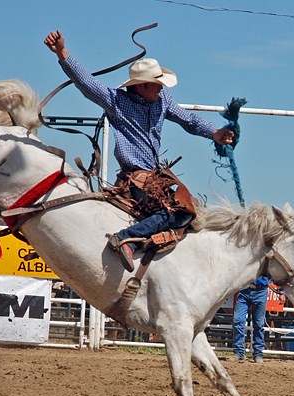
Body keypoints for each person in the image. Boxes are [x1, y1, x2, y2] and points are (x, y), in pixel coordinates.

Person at [44, 30, 234, 272]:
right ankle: (126, 239)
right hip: (136, 177)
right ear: (142, 86)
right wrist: (63, 53)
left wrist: (214, 133)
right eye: (157, 84)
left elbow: (189, 119)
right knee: (180, 211)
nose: (162, 88)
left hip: (155, 175)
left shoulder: (162, 100)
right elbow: (86, 83)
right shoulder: (117, 102)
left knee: (191, 210)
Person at [232, 276, 272, 363]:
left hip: (260, 290)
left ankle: (258, 353)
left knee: (258, 324)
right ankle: (239, 352)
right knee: (238, 320)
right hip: (245, 288)